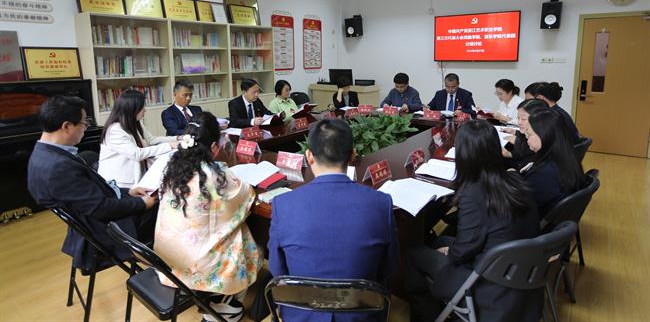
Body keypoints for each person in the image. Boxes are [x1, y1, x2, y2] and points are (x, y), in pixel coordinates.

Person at [406, 120, 541, 322]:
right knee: (438, 241)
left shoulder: (474, 192)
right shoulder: (514, 179)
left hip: (487, 281)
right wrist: (449, 248)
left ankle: (428, 316)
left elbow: (463, 251)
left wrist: (450, 251)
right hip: (519, 269)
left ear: (463, 154)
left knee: (413, 255)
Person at [268, 118, 399, 322]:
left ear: (309, 156)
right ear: (353, 155)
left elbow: (277, 271)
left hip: (302, 315)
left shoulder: (282, 205)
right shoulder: (381, 203)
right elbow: (390, 268)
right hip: (362, 313)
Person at [27, 95, 157, 271]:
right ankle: (171, 270)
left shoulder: (43, 153)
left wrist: (128, 192)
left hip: (96, 218)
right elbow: (102, 208)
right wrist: (142, 203)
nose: (85, 128)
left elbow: (90, 195)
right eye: (83, 123)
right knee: (167, 207)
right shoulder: (59, 167)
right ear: (66, 126)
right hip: (107, 231)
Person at [155, 112, 262, 322]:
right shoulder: (215, 175)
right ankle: (224, 302)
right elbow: (246, 196)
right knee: (245, 236)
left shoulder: (173, 168)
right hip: (196, 264)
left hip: (168, 257)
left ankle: (213, 296)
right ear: (214, 146)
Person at [98, 89, 177, 188]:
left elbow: (151, 140)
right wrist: (169, 146)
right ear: (132, 109)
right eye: (142, 107)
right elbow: (136, 154)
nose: (145, 110)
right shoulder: (115, 130)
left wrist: (177, 138)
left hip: (139, 176)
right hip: (118, 184)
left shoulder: (135, 122)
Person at [522, 109, 585, 217]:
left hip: (535, 216)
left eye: (529, 134)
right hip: (551, 210)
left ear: (544, 136)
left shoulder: (545, 173)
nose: (526, 137)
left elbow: (523, 203)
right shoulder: (566, 154)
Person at [502, 99, 549, 170]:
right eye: (518, 118)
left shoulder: (538, 141)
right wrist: (515, 132)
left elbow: (525, 160)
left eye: (523, 119)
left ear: (538, 119)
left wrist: (516, 142)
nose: (519, 122)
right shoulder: (529, 134)